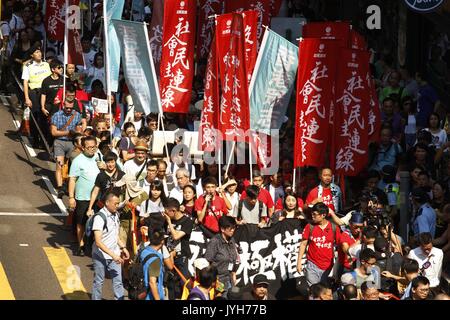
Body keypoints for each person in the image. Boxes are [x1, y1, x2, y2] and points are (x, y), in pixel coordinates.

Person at [91, 192, 129, 300]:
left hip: (114, 255)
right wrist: (114, 255)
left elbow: (115, 235)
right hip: (100, 255)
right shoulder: (99, 218)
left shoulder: (116, 214)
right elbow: (98, 242)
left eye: (118, 204)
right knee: (98, 281)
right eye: (115, 204)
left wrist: (123, 247)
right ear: (107, 203)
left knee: (118, 282)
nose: (117, 206)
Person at [68, 136, 100, 256]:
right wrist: (71, 197)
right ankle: (81, 244)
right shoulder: (78, 161)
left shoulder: (99, 157)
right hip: (82, 197)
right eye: (89, 147)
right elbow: (72, 180)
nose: (92, 149)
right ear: (83, 147)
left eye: (94, 147)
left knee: (96, 222)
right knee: (81, 221)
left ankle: (92, 244)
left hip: (97, 198)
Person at [297, 203, 342, 286]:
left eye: (314, 214)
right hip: (312, 265)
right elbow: (303, 244)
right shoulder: (309, 226)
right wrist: (299, 262)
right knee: (314, 290)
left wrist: (338, 266)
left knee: (324, 291)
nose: (312, 216)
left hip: (328, 267)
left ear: (323, 215)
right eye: (311, 214)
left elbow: (340, 246)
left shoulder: (334, 228)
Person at [50, 98, 85, 198]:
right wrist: (68, 132)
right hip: (60, 141)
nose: (69, 110)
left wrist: (78, 132)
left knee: (72, 165)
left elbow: (79, 129)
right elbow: (53, 132)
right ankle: (60, 187)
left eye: (71, 108)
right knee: (59, 164)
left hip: (72, 143)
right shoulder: (57, 115)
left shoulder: (77, 115)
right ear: (63, 105)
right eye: (67, 107)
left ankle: (68, 184)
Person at [163, 198, 194, 299]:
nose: (165, 213)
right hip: (168, 257)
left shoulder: (187, 221)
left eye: (166, 211)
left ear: (173, 210)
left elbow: (176, 236)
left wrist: (168, 222)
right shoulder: (167, 219)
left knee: (183, 282)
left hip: (182, 257)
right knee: (170, 282)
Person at [22, 44, 51, 148]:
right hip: (34, 93)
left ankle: (44, 140)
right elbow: (25, 82)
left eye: (40, 52)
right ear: (32, 55)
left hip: (46, 93)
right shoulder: (28, 66)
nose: (39, 54)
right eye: (36, 52)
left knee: (44, 116)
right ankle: (35, 139)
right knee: (35, 115)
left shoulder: (46, 65)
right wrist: (27, 98)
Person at [204, 216, 239, 298]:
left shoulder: (232, 240)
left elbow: (233, 260)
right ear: (222, 229)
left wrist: (234, 277)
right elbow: (207, 262)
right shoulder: (215, 242)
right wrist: (214, 283)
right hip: (218, 281)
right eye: (230, 228)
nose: (233, 230)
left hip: (230, 279)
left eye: (234, 228)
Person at [87, 151, 125, 217]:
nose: (110, 165)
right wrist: (90, 208)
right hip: (104, 206)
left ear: (115, 162)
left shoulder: (121, 174)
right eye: (108, 162)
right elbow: (95, 192)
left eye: (112, 162)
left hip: (117, 207)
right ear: (105, 162)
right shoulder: (101, 175)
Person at [141, 229, 166, 300]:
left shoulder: (143, 251)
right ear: (162, 241)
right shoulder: (155, 260)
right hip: (151, 296)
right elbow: (152, 282)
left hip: (142, 291)